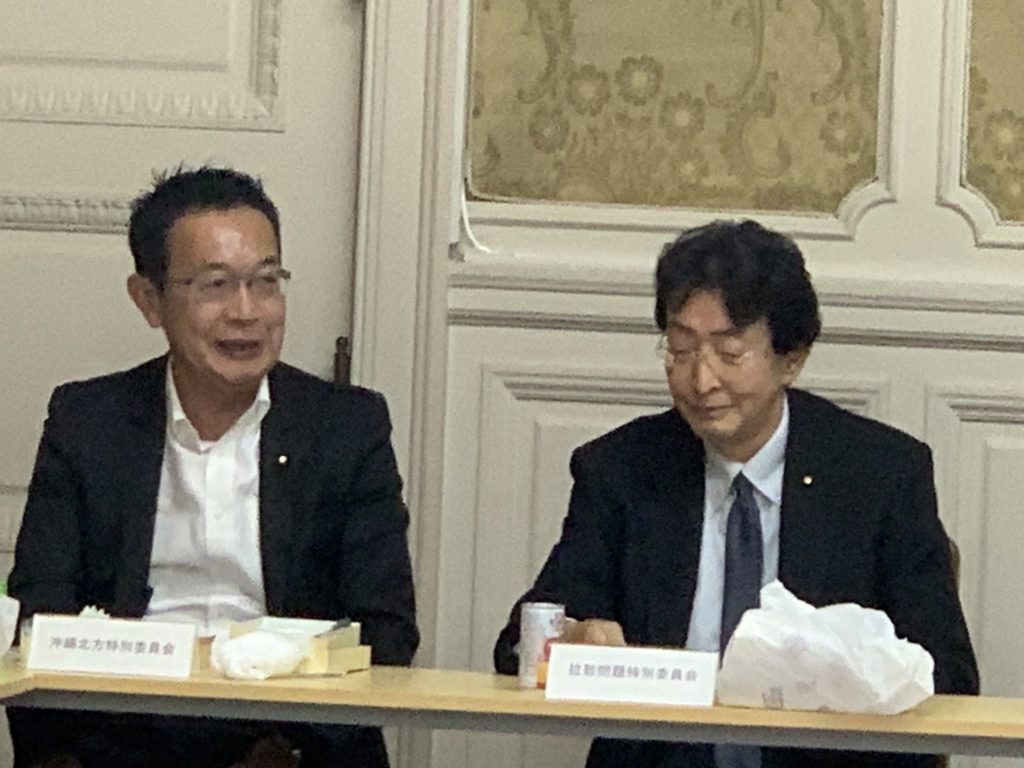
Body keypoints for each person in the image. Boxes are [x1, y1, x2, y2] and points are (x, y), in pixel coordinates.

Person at [494, 220, 978, 768]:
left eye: (729, 353)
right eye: (681, 349)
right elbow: (517, 643)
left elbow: (949, 676)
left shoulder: (880, 475)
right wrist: (570, 638)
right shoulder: (622, 470)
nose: (702, 381)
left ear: (791, 358)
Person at [7, 166, 418, 768]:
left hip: (285, 734)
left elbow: (386, 632)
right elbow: (38, 613)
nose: (246, 312)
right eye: (216, 285)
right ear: (149, 300)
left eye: (266, 282)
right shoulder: (88, 421)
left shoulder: (345, 428)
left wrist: (295, 744)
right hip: (124, 733)